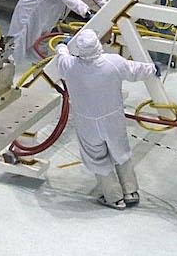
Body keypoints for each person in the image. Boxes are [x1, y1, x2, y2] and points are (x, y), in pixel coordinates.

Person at [49, 27, 161, 208]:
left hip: (86, 122)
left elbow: (60, 56)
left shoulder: (70, 66)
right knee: (121, 152)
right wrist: (153, 68)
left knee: (97, 159)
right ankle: (131, 191)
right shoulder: (113, 63)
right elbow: (135, 70)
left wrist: (63, 44)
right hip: (112, 119)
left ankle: (114, 198)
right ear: (98, 46)